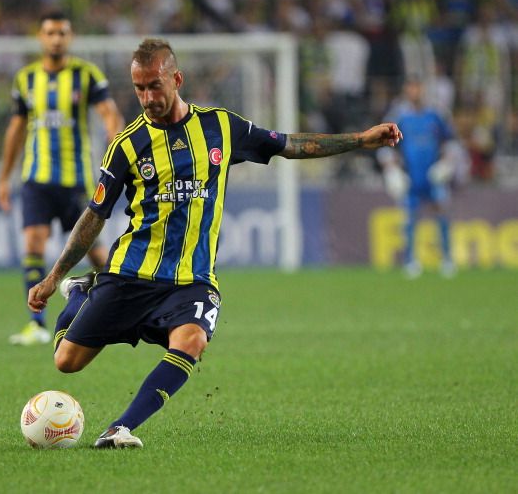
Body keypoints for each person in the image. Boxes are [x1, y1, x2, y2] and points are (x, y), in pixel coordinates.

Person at [28, 38, 402, 449]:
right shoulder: (127, 145)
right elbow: (94, 215)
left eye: (155, 85)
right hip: (131, 274)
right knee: (66, 362)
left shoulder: (222, 127)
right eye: (139, 89)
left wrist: (360, 140)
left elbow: (289, 145)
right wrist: (54, 277)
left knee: (192, 340)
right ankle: (82, 293)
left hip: (192, 279)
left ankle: (120, 428)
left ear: (177, 79)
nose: (147, 98)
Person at [0, 11, 124, 345]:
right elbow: (16, 128)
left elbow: (110, 114)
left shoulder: (86, 75)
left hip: (75, 180)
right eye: (50, 33)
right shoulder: (26, 79)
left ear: (71, 37)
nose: (56, 39)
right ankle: (37, 323)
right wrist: (4, 177)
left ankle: (119, 302)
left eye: (62, 33)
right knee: (33, 243)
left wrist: (116, 143)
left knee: (95, 254)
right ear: (41, 37)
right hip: (36, 179)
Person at [379, 76, 463, 278]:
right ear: (406, 90)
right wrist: (392, 170)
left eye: (417, 88)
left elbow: (451, 142)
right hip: (411, 175)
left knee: (442, 213)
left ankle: (447, 259)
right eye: (410, 88)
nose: (414, 92)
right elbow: (385, 146)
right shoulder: (399, 116)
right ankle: (410, 261)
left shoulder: (436, 114)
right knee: (409, 217)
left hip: (433, 175)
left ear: (422, 90)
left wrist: (446, 165)